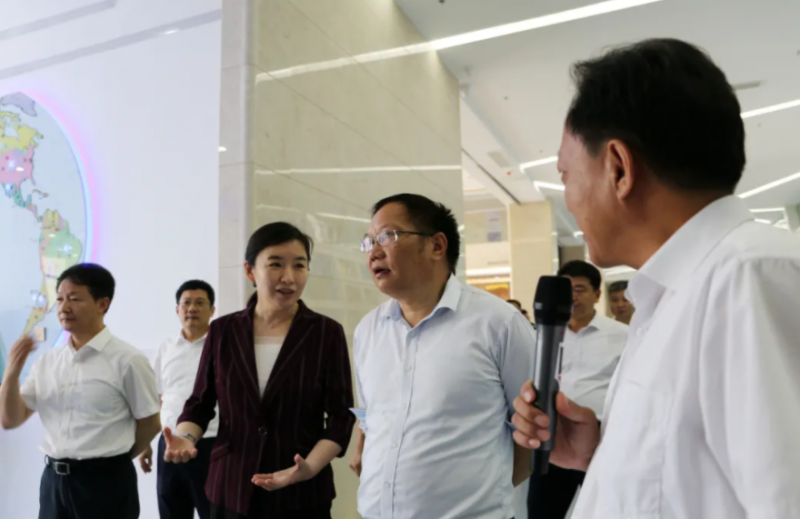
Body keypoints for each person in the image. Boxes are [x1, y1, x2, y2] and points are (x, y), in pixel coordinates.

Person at [511, 38, 800, 519]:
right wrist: (602, 450)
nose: (570, 200)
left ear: (619, 168)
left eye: (566, 175)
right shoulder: (670, 298)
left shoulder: (749, 278)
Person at [352, 194, 535, 519]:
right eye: (369, 242)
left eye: (387, 236)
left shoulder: (499, 323)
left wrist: (485, 498)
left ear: (437, 245)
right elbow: (369, 418)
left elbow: (533, 433)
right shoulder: (368, 330)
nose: (374, 252)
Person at [163, 222, 355, 519]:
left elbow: (341, 416)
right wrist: (186, 437)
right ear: (250, 271)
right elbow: (200, 403)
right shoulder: (223, 331)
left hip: (302, 494)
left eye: (299, 265)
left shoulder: (325, 333)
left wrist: (310, 467)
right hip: (231, 487)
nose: (289, 277)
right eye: (275, 264)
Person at [0, 263, 161, 519]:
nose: (64, 308)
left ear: (102, 304)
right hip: (53, 482)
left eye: (74, 299)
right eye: (60, 299)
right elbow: (10, 419)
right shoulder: (48, 362)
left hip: (106, 483)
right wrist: (11, 373)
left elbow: (150, 423)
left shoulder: (128, 360)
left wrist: (116, 459)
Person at [527, 260, 627, 519]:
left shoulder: (623, 335)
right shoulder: (542, 335)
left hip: (601, 438)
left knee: (607, 510)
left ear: (597, 294)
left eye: (580, 289)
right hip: (553, 435)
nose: (573, 297)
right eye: (568, 290)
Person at [138, 280, 218, 519]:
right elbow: (155, 399)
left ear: (212, 310)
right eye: (186, 303)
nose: (192, 308)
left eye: (200, 303)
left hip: (210, 444)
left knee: (213, 512)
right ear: (177, 309)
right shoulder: (166, 348)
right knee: (171, 511)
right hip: (170, 443)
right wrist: (145, 443)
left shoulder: (221, 346)